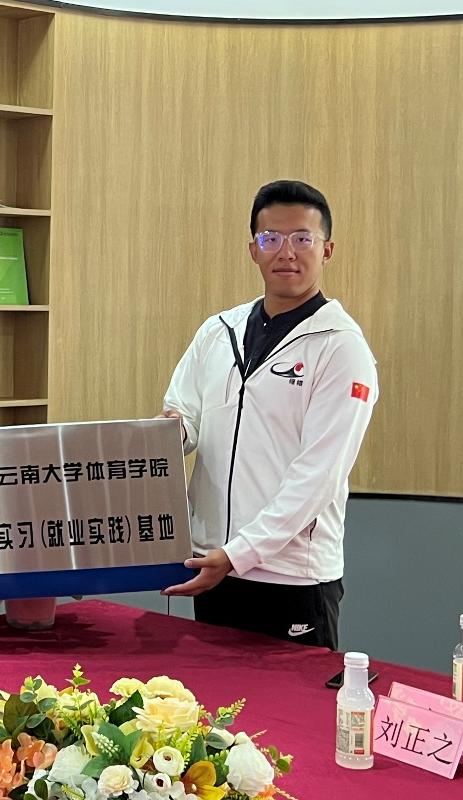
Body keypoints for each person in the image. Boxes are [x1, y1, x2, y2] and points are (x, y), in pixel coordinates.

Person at [159, 180, 378, 650]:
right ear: (253, 249)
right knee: (211, 697)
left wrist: (241, 553)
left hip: (291, 577)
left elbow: (318, 475)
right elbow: (185, 414)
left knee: (290, 700)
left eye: (302, 238)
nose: (286, 252)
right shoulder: (218, 332)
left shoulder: (341, 348)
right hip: (212, 565)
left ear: (327, 250)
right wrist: (172, 431)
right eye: (271, 238)